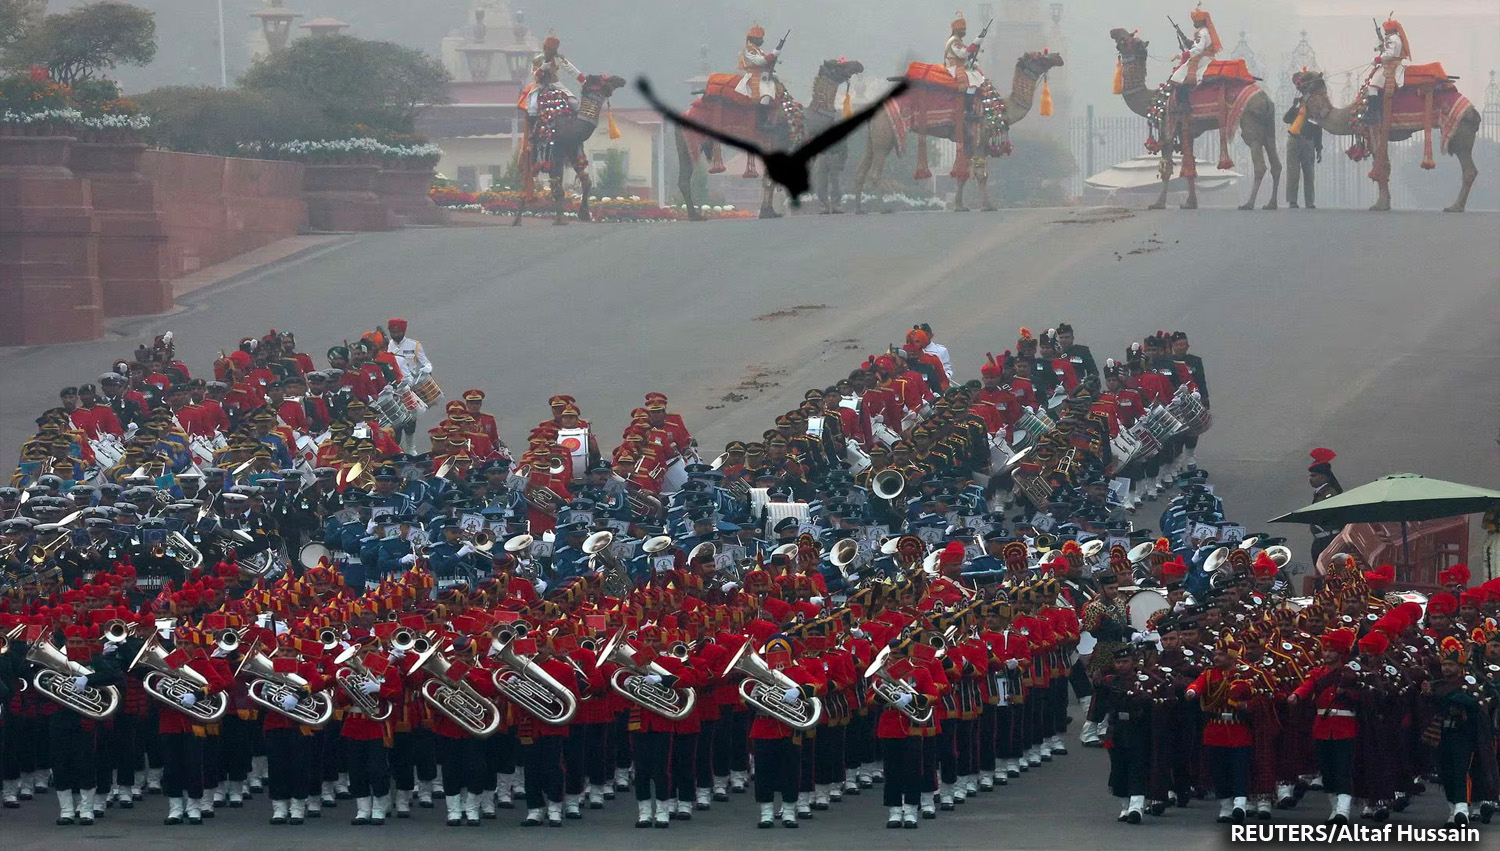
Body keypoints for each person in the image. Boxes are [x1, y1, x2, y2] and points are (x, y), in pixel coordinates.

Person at [385, 318, 432, 450]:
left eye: (398, 332)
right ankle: (398, 447)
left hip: (410, 388)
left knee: (411, 419)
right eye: (393, 332)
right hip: (393, 389)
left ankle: (410, 446)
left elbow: (426, 363)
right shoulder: (387, 346)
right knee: (396, 421)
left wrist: (426, 369)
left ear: (403, 331)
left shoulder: (414, 345)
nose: (396, 335)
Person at [1168, 7, 1221, 103]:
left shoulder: (1200, 33)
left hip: (1202, 60)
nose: (1194, 23)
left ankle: (1184, 105)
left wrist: (1181, 55)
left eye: (1195, 21)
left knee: (1178, 77)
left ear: (1200, 22)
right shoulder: (1207, 31)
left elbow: (1198, 49)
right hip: (1207, 58)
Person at [1283, 79, 1322, 209]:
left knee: (1309, 173)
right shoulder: (1298, 105)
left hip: (1308, 141)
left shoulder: (1315, 109)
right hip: (1293, 140)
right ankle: (1292, 201)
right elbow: (1286, 119)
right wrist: (1293, 107)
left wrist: (1319, 148)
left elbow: (1318, 129)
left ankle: (1309, 202)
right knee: (1293, 173)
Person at [1364, 18, 1410, 126]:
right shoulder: (1393, 38)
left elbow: (1389, 54)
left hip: (1390, 66)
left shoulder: (1393, 39)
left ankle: (1372, 113)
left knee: (1372, 86)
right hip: (1389, 64)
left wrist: (1377, 59)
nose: (1385, 31)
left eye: (1386, 29)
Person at [524, 32, 583, 117]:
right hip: (540, 85)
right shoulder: (537, 60)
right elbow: (535, 75)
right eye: (548, 49)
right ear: (545, 48)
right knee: (533, 106)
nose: (549, 51)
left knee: (574, 103)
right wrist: (543, 67)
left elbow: (570, 69)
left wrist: (583, 80)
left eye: (551, 49)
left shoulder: (558, 58)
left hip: (556, 84)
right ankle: (534, 128)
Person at [734, 23, 781, 127]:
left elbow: (766, 64)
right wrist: (773, 54)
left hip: (763, 77)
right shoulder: (749, 49)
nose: (762, 40)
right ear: (754, 39)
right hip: (754, 78)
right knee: (766, 97)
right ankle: (761, 122)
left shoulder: (758, 50)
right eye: (760, 38)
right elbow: (759, 61)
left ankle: (770, 119)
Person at [943, 13, 987, 115]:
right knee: (971, 82)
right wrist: (975, 43)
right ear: (955, 30)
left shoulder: (959, 41)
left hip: (960, 66)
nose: (963, 32)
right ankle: (968, 109)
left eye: (964, 29)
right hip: (953, 67)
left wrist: (977, 48)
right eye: (961, 30)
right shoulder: (953, 41)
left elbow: (967, 53)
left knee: (976, 74)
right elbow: (962, 53)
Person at [1306, 447, 1343, 563]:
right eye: (1310, 476)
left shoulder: (1329, 494)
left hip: (1328, 541)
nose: (1310, 479)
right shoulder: (1320, 493)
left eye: (1314, 476)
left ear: (1324, 477)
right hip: (1320, 541)